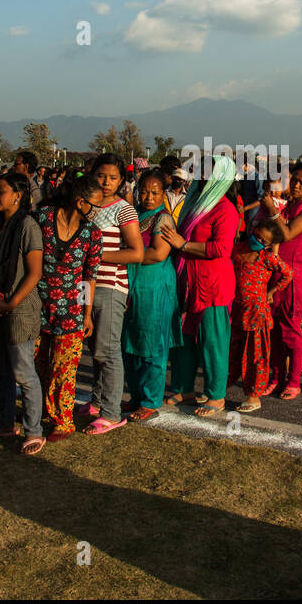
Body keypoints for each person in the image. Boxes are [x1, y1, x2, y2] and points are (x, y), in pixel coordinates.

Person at [159, 155, 239, 416]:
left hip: (212, 285)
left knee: (212, 341)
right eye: (202, 172)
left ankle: (216, 395)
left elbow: (222, 248)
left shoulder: (225, 209)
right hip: (188, 281)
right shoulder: (195, 202)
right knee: (184, 339)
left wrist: (183, 245)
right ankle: (184, 387)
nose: (202, 177)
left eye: (208, 173)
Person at [77, 155, 143, 433]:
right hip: (84, 284)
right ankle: (96, 401)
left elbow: (137, 252)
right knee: (93, 347)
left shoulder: (124, 210)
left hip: (109, 286)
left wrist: (96, 256)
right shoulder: (86, 205)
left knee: (107, 350)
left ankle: (112, 412)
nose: (106, 182)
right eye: (101, 175)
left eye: (112, 177)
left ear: (121, 180)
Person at [34, 177, 101, 441]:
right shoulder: (42, 218)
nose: (98, 209)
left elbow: (89, 275)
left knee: (65, 369)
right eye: (94, 204)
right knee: (38, 363)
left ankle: (63, 420)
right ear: (80, 201)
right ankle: (37, 409)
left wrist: (87, 314)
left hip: (72, 310)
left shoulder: (92, 233)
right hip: (39, 304)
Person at [0, 173, 44, 453]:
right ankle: (6, 421)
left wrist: (12, 302)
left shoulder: (28, 225)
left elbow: (34, 272)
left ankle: (34, 430)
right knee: (1, 369)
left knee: (23, 371)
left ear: (18, 196)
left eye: (2, 191)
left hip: (21, 308)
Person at [261, 162, 302, 400]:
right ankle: (276, 378)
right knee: (275, 332)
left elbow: (287, 234)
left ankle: (294, 381)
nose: (296, 185)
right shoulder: (290, 205)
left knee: (292, 332)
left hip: (293, 276)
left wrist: (273, 212)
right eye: (294, 180)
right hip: (275, 274)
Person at [121, 168, 181, 423]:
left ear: (163, 194)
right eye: (144, 191)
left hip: (154, 287)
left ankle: (150, 401)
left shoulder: (163, 219)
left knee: (151, 345)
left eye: (155, 192)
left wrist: (126, 255)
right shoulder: (135, 215)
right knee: (131, 344)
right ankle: (136, 396)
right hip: (134, 284)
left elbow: (158, 253)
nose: (148, 196)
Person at [231, 217, 293, 413]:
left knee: (256, 356)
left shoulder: (267, 258)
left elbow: (288, 273)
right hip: (237, 309)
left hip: (257, 312)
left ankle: (254, 396)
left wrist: (272, 292)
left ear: (269, 244)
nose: (257, 241)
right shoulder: (238, 249)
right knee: (233, 351)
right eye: (256, 235)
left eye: (263, 241)